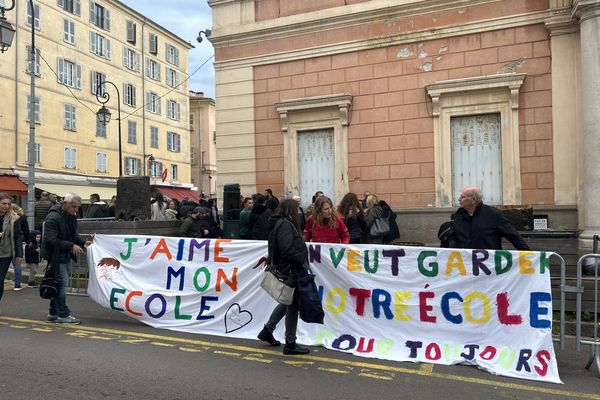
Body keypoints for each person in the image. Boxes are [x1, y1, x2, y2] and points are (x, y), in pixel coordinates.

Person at [258, 199, 310, 355]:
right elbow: (286, 249)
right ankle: (290, 343)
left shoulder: (279, 223)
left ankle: (268, 330)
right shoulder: (286, 225)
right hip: (289, 269)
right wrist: (300, 258)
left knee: (288, 301)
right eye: (297, 210)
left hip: (285, 268)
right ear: (290, 211)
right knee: (292, 304)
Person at [44, 192, 91, 324]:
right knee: (62, 284)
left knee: (58, 284)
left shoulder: (69, 215)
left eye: (77, 207)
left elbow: (72, 234)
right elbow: (50, 239)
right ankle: (63, 315)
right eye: (74, 207)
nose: (76, 211)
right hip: (55, 256)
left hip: (62, 254)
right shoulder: (53, 217)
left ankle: (53, 313)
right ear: (65, 203)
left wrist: (82, 242)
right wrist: (71, 246)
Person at [453, 186, 530, 250]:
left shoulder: (493, 214)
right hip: (465, 264)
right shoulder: (459, 215)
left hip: (488, 264)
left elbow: (513, 236)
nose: (459, 199)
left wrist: (529, 256)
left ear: (473, 200)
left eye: (462, 197)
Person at [0, 193, 23, 303]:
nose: (6, 206)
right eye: (4, 203)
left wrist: (19, 254)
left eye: (8, 204)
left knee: (0, 280)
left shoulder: (14, 218)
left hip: (5, 253)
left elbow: (18, 236)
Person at [10, 204, 30, 291]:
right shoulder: (22, 217)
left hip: (8, 241)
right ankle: (17, 284)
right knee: (17, 263)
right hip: (18, 241)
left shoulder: (8, 217)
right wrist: (28, 241)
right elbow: (26, 230)